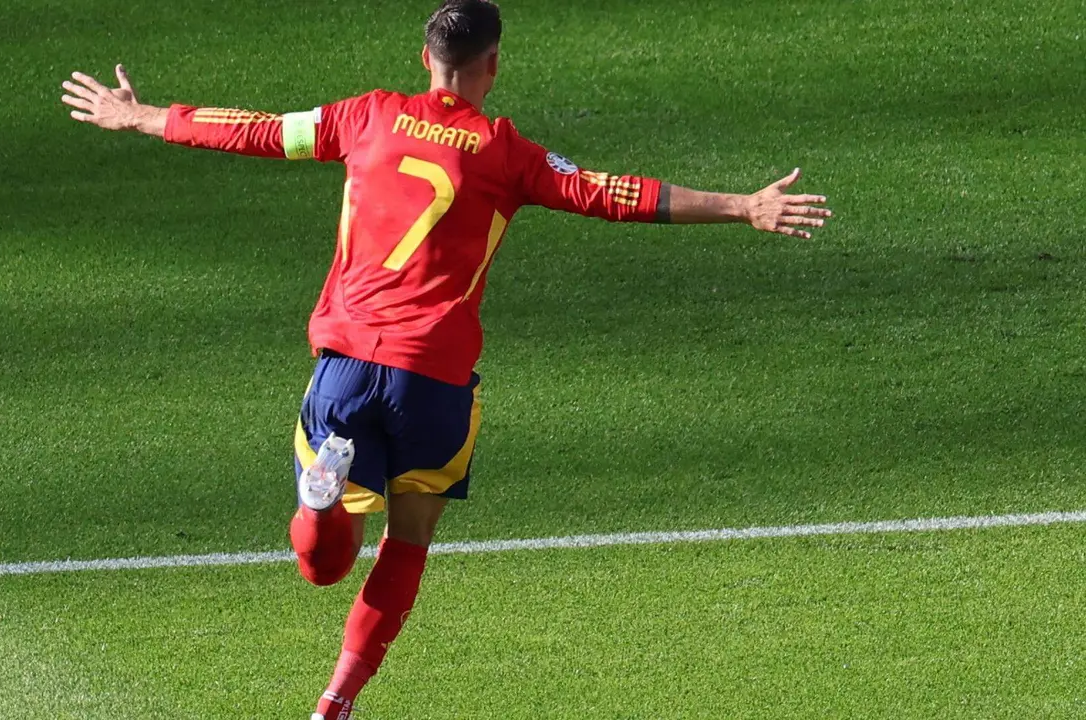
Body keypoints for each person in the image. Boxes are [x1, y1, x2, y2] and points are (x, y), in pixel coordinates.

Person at [60, 0, 830, 716]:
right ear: (492, 65)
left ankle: (320, 505)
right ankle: (336, 700)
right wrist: (744, 205)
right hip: (434, 381)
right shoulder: (506, 153)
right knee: (410, 541)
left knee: (323, 564)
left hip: (347, 363)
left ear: (423, 58)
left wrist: (141, 116)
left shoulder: (365, 118)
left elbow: (255, 129)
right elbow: (612, 191)